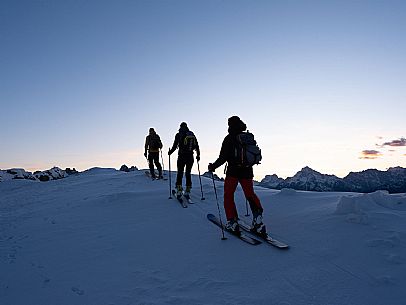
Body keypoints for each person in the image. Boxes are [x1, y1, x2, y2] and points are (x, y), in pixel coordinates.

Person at [208, 116, 265, 234]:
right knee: (250, 194)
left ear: (230, 125)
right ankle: (258, 220)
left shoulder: (229, 138)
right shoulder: (247, 137)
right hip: (247, 171)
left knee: (228, 195)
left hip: (233, 171)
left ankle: (232, 222)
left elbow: (223, 157)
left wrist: (213, 166)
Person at [168, 122, 200, 197]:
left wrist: (170, 152)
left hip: (181, 156)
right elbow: (197, 146)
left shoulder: (178, 135)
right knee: (188, 173)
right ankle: (188, 190)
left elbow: (175, 145)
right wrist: (198, 155)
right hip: (190, 157)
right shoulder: (191, 135)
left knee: (180, 172)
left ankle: (179, 189)